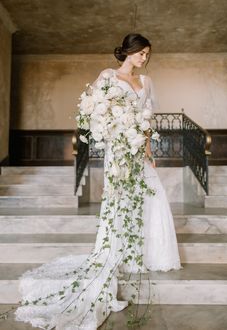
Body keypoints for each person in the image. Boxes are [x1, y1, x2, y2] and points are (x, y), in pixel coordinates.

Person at [15, 34, 181, 330]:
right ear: (128, 52)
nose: (144, 58)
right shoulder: (108, 76)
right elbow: (91, 112)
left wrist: (148, 150)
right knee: (120, 201)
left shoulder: (148, 82)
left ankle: (147, 254)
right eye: (141, 53)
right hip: (118, 151)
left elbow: (146, 120)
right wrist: (111, 135)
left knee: (152, 195)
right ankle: (118, 252)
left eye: (147, 54)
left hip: (138, 151)